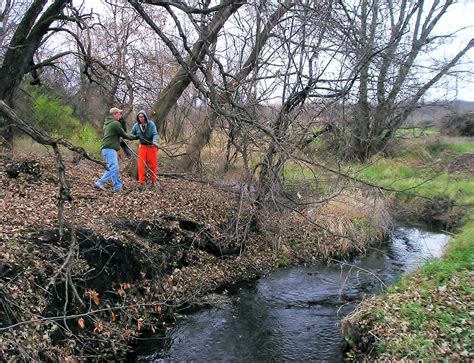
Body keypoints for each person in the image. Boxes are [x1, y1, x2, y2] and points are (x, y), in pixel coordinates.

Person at [95, 107, 138, 192]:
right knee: (114, 168)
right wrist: (136, 136)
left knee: (114, 168)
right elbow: (125, 134)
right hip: (109, 149)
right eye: (119, 113)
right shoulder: (115, 123)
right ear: (114, 114)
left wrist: (118, 137)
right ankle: (100, 183)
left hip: (107, 149)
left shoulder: (107, 123)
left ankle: (117, 187)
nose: (120, 115)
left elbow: (114, 134)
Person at [131, 110, 159, 186]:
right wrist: (128, 137)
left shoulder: (151, 124)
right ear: (138, 118)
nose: (141, 118)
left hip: (152, 147)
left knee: (152, 165)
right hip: (142, 147)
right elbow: (132, 135)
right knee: (141, 165)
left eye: (142, 116)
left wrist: (155, 141)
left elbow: (155, 134)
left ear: (145, 117)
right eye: (139, 117)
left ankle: (153, 182)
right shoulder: (136, 126)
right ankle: (141, 182)